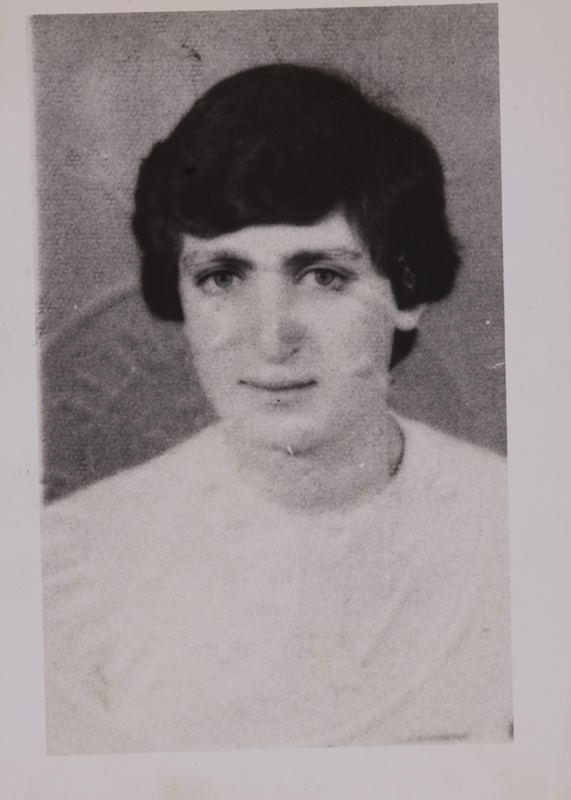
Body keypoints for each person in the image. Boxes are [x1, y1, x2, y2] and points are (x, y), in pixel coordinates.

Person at [41, 64, 511, 754]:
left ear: (407, 290)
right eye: (221, 277)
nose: (271, 337)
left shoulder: (522, 530)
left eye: (323, 275)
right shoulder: (64, 565)